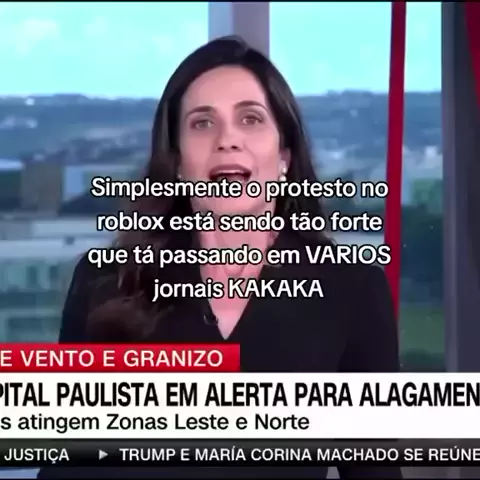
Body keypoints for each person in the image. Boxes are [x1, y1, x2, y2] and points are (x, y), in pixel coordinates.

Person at [37, 36, 402, 479]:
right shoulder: (105, 282)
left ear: (284, 156)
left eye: (250, 119)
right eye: (202, 123)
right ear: (177, 163)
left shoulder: (351, 287)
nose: (227, 139)